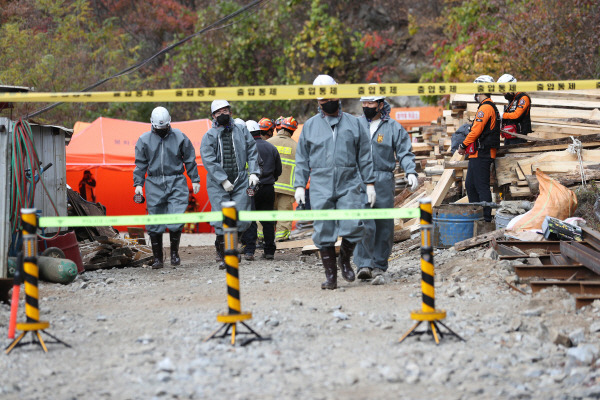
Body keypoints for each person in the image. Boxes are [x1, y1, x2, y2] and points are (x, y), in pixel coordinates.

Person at [294, 74, 376, 290]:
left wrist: (369, 183)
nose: (327, 103)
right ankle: (331, 276)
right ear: (318, 102)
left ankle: (345, 260)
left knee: (354, 225)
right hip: (320, 184)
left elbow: (365, 155)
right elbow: (301, 158)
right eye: (322, 101)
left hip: (349, 182)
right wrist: (300, 185)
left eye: (329, 98)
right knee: (323, 231)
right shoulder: (310, 127)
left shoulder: (354, 124)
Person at [353, 91, 418, 280]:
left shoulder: (393, 128)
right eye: (363, 103)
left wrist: (410, 171)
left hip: (383, 180)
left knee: (384, 225)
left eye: (370, 103)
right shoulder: (355, 125)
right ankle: (364, 264)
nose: (366, 106)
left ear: (381, 105)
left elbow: (404, 152)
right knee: (363, 222)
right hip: (360, 179)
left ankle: (379, 265)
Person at [134, 106, 201, 269]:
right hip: (154, 182)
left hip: (177, 180)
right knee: (155, 220)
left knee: (176, 218)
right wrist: (138, 184)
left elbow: (190, 159)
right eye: (159, 128)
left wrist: (195, 179)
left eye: (165, 127)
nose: (162, 131)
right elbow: (140, 164)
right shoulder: (144, 140)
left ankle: (174, 254)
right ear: (152, 124)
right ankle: (158, 258)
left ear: (169, 123)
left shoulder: (180, 137)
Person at [200, 100, 260, 269]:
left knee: (242, 217)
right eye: (218, 112)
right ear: (213, 116)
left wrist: (254, 172)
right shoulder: (209, 136)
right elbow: (208, 160)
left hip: (241, 180)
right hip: (218, 183)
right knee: (221, 219)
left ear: (231, 112)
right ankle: (226, 254)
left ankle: (233, 247)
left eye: (225, 110)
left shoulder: (241, 130)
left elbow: (252, 150)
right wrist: (222, 179)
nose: (223, 114)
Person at [458, 75, 500, 222]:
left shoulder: (486, 108)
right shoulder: (486, 107)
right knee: (470, 184)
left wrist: (463, 145)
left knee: (481, 186)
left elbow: (475, 131)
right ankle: (476, 214)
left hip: (484, 152)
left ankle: (486, 219)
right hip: (478, 153)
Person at [240, 120, 282, 260]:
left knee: (250, 219)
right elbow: (278, 170)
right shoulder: (271, 147)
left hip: (250, 188)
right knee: (268, 221)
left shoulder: (245, 148)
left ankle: (250, 251)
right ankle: (269, 251)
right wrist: (270, 180)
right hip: (268, 188)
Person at [267, 116, 298, 242]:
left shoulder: (268, 142)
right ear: (292, 131)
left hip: (269, 185)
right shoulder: (297, 146)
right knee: (284, 213)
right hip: (288, 187)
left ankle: (262, 237)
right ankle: (282, 238)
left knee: (266, 212)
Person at [497, 73, 532, 146]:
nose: (504, 93)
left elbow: (516, 115)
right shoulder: (512, 99)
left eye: (504, 90)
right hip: (509, 135)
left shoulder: (523, 98)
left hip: (519, 137)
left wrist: (501, 115)